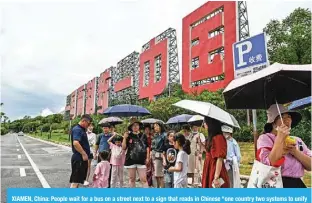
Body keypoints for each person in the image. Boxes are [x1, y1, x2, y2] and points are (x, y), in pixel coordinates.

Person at [257, 104, 311, 188]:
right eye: (281, 117)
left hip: (297, 184)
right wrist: (279, 138)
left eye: (289, 116)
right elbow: (268, 164)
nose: (287, 120)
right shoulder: (265, 139)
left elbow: (310, 166)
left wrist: (295, 152)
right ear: (273, 122)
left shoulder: (297, 140)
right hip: (275, 184)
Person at [202, 117, 230, 188]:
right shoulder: (211, 137)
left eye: (205, 122)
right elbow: (209, 152)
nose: (204, 124)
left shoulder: (218, 138)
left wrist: (216, 177)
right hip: (209, 167)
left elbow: (219, 158)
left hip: (215, 168)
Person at [122, 118, 149, 188]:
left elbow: (147, 147)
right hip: (130, 160)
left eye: (136, 125)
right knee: (132, 179)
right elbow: (124, 148)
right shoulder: (128, 135)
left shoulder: (144, 135)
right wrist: (124, 138)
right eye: (133, 125)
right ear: (131, 127)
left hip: (141, 160)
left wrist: (148, 158)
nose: (135, 127)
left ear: (139, 126)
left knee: (144, 179)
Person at [69, 114, 92, 188]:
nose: (88, 126)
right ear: (84, 121)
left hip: (80, 159)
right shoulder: (77, 129)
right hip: (79, 158)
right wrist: (84, 154)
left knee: (78, 180)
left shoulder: (81, 129)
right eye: (88, 124)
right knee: (75, 181)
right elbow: (75, 143)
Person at [94, 122, 112, 187]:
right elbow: (96, 145)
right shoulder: (100, 136)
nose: (105, 130)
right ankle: (99, 184)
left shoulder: (112, 136)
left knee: (108, 171)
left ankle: (107, 185)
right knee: (99, 170)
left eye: (106, 128)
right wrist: (95, 153)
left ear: (109, 129)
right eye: (104, 128)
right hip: (100, 156)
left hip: (109, 156)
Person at [151, 122, 166, 188]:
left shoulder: (164, 135)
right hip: (154, 155)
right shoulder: (156, 135)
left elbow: (165, 146)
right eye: (154, 127)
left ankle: (161, 189)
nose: (155, 128)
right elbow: (153, 145)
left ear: (161, 126)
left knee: (160, 175)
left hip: (160, 156)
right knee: (156, 174)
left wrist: (164, 156)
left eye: (157, 126)